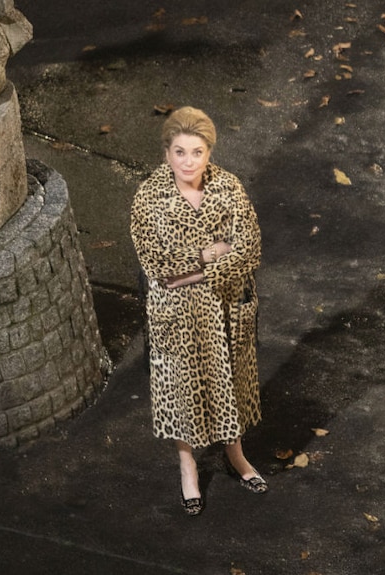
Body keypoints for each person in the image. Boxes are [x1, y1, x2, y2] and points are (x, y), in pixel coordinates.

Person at [130, 106, 266, 516]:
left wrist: (191, 273)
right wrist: (208, 253)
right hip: (177, 313)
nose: (188, 161)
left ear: (209, 153)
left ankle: (235, 454)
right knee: (181, 387)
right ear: (166, 153)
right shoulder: (149, 198)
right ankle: (188, 465)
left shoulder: (229, 188)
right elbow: (157, 265)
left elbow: (249, 250)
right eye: (179, 151)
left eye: (197, 151)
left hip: (226, 308)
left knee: (231, 384)